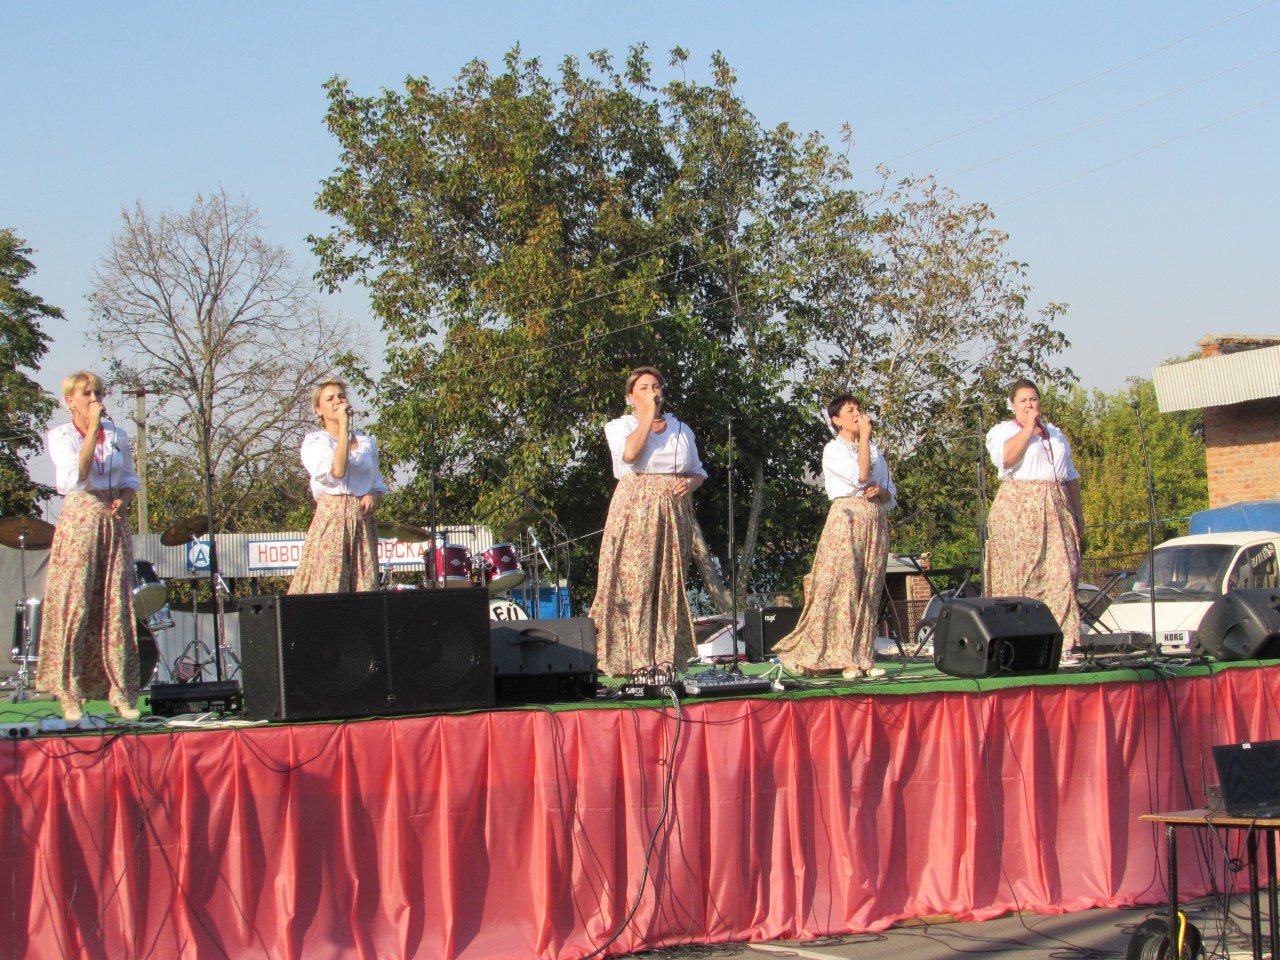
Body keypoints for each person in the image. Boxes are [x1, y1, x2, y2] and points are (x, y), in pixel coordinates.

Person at [38, 372, 143, 722]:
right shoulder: (61, 435)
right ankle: (69, 691)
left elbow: (129, 477)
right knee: (76, 601)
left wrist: (124, 501)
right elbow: (74, 477)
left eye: (98, 392)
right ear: (70, 400)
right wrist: (92, 427)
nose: (94, 398)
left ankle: (120, 691)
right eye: (86, 393)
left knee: (115, 604)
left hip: (113, 522)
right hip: (80, 518)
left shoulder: (117, 435)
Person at [591, 367, 707, 677]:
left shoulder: (681, 428)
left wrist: (691, 483)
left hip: (673, 510)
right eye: (643, 388)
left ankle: (664, 659)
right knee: (635, 582)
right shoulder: (620, 426)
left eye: (656, 386)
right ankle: (634, 660)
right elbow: (630, 454)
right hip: (635, 508)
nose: (652, 392)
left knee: (667, 583)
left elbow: (698, 469)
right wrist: (647, 416)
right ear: (630, 397)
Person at [774, 395, 896, 680]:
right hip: (847, 519)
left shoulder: (875, 451)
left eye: (859, 409)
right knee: (844, 586)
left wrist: (881, 491)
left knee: (869, 587)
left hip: (874, 519)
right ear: (836, 420)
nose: (857, 414)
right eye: (849, 411)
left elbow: (890, 493)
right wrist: (865, 437)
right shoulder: (834, 449)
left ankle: (862, 655)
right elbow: (860, 475)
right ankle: (843, 658)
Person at [984, 378, 1084, 650]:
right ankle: (1022, 643)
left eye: (1033, 399)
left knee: (1064, 573)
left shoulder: (1055, 432)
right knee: (1025, 577)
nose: (1029, 405)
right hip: (1020, 508)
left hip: (1057, 505)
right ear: (1013, 405)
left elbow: (1070, 475)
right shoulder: (1003, 431)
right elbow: (1006, 459)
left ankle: (1063, 644)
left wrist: (1078, 514)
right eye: (1023, 401)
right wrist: (1028, 428)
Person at [290, 379, 387, 594]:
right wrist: (343, 427)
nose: (338, 401)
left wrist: (372, 495)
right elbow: (338, 471)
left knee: (364, 587)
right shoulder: (316, 442)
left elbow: (377, 483)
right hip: (332, 520)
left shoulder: (366, 443)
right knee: (329, 584)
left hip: (361, 521)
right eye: (330, 398)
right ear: (318, 410)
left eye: (341, 396)